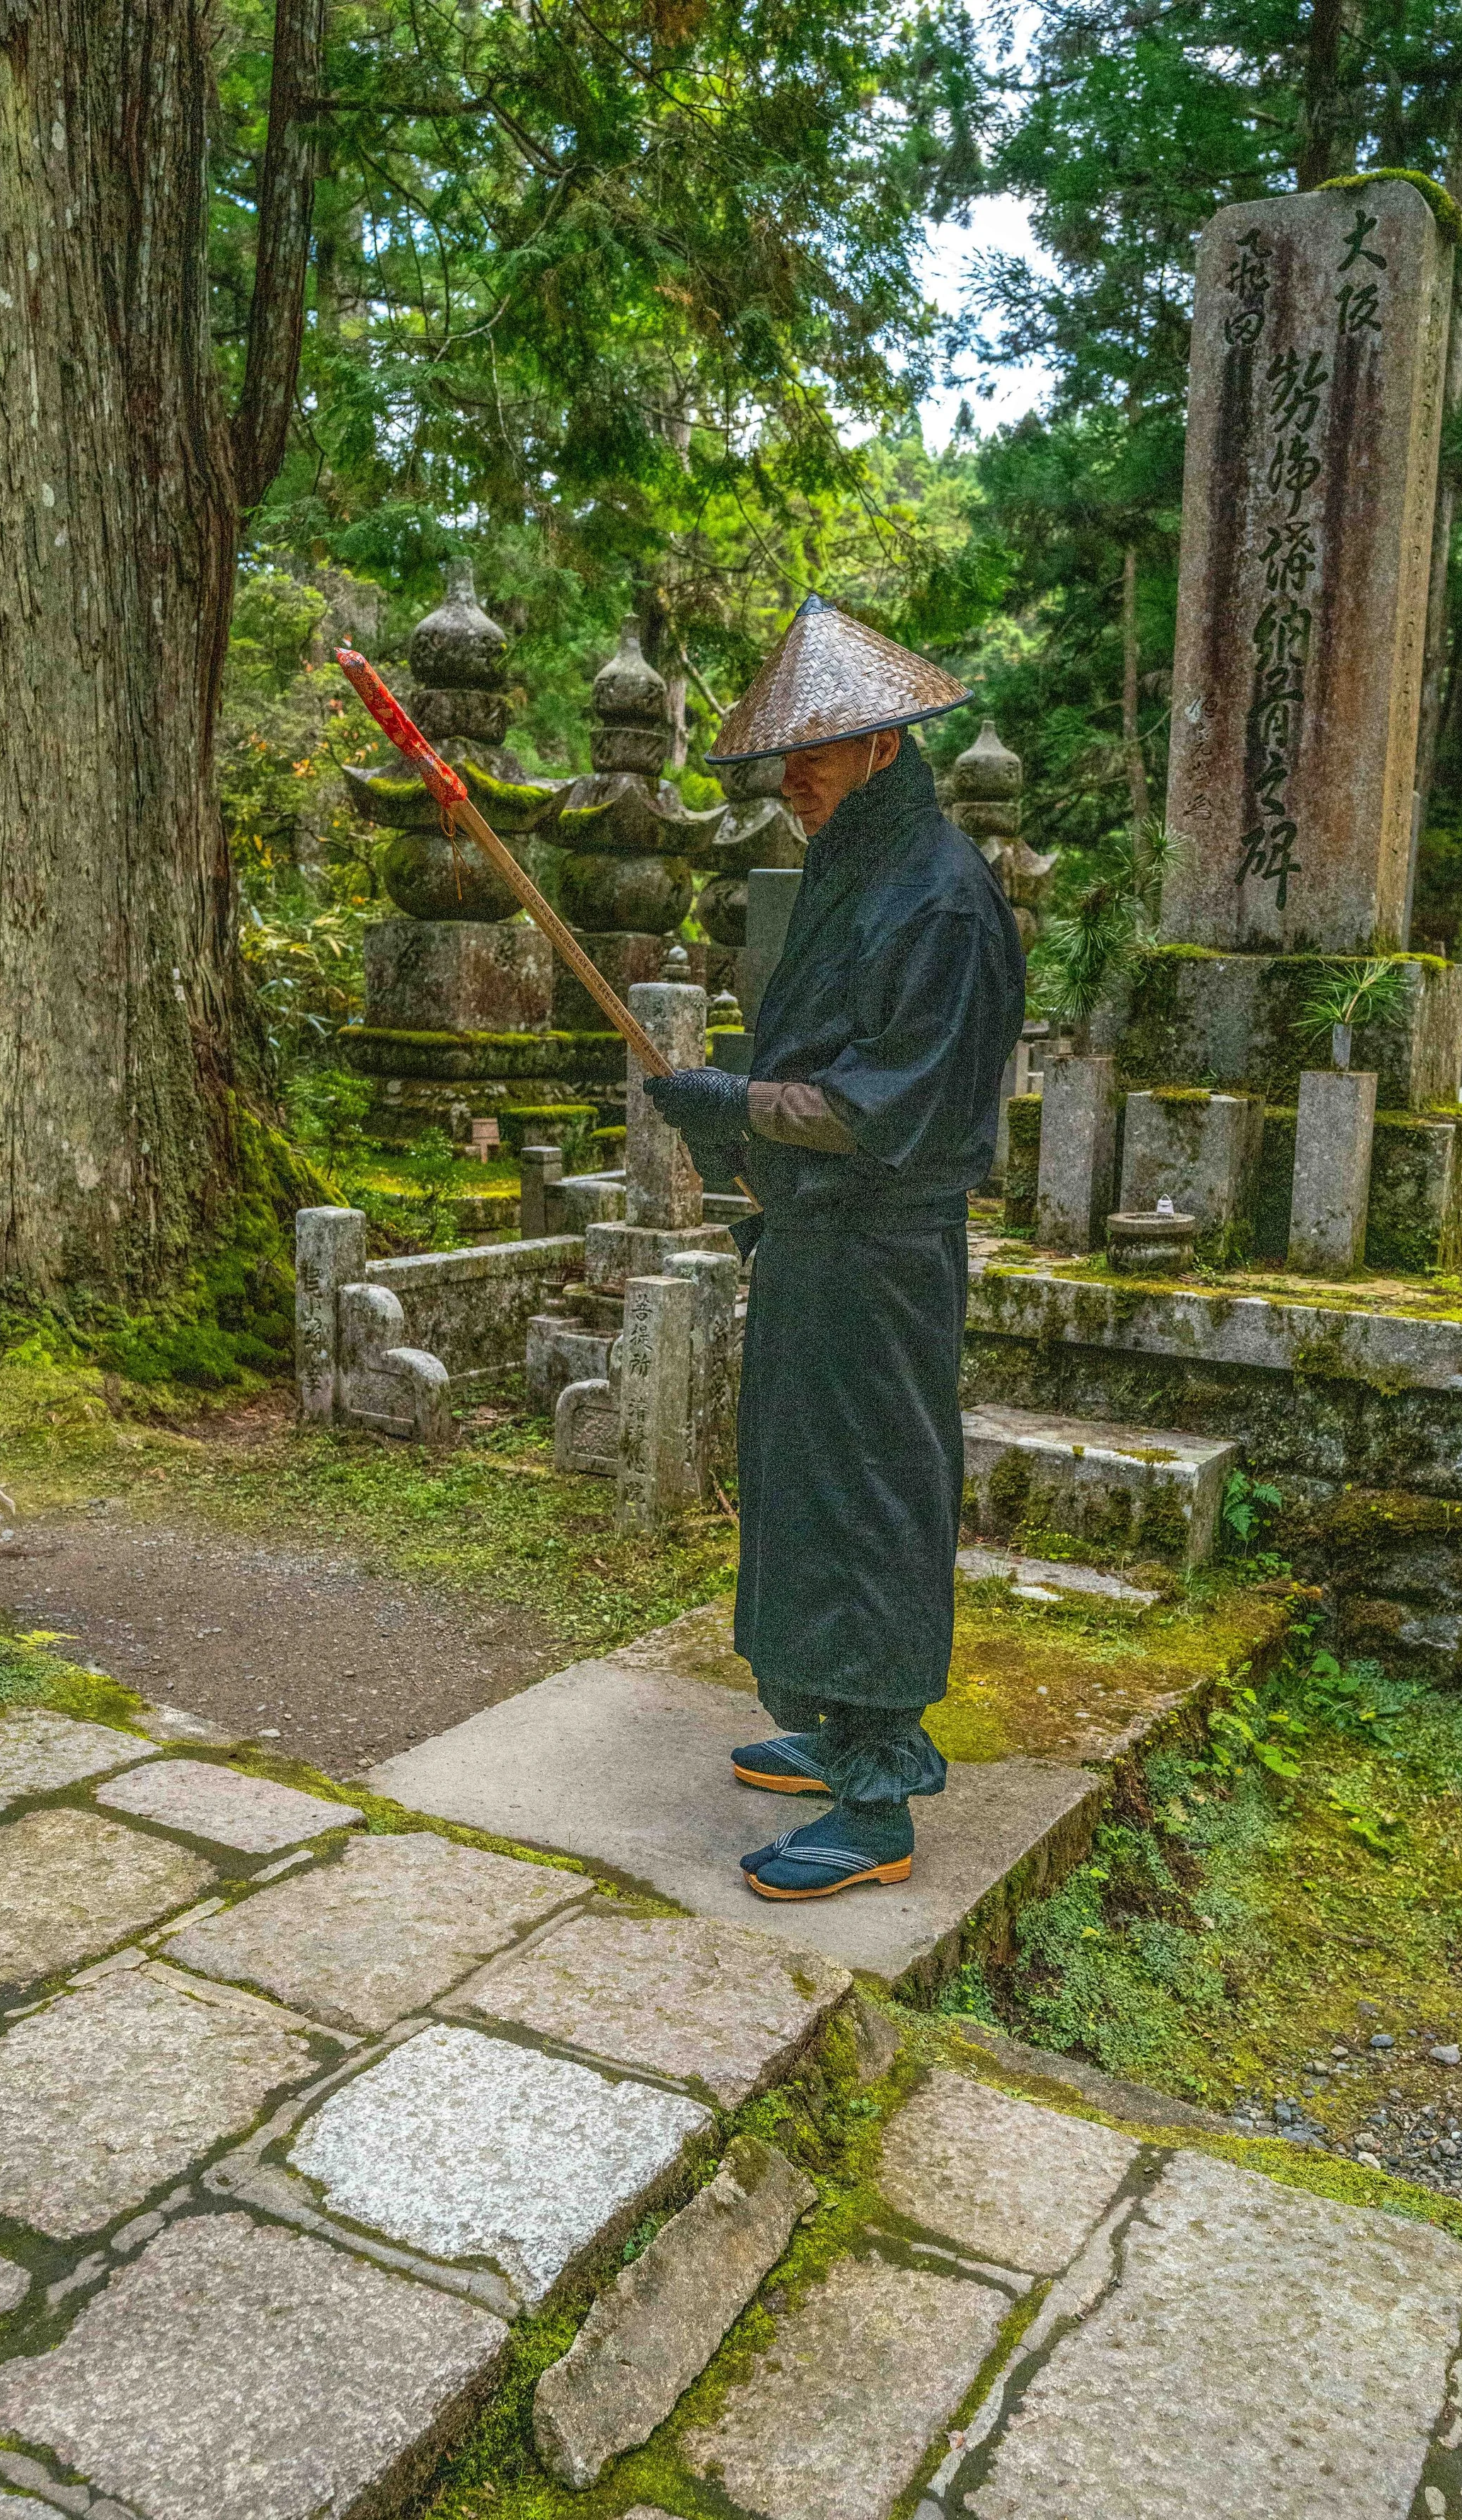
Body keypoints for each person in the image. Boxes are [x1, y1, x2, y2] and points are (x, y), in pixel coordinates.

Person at [645, 595, 1025, 1900]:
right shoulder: (854, 863)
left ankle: (879, 1800)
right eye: (784, 754)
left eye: (814, 750)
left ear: (883, 745)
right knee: (802, 1487)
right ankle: (836, 1723)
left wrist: (735, 1103)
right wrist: (742, 1126)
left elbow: (880, 1105)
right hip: (816, 1238)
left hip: (883, 1251)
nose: (791, 776)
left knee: (868, 1494)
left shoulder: (942, 897)